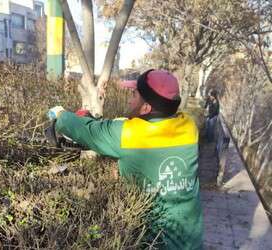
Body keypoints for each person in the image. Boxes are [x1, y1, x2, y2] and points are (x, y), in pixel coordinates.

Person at [48, 69, 203, 249]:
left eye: (134, 94)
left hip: (152, 243)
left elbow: (88, 132)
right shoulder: (189, 127)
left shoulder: (127, 133)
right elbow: (142, 129)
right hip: (191, 241)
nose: (130, 99)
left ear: (146, 108)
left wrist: (59, 115)